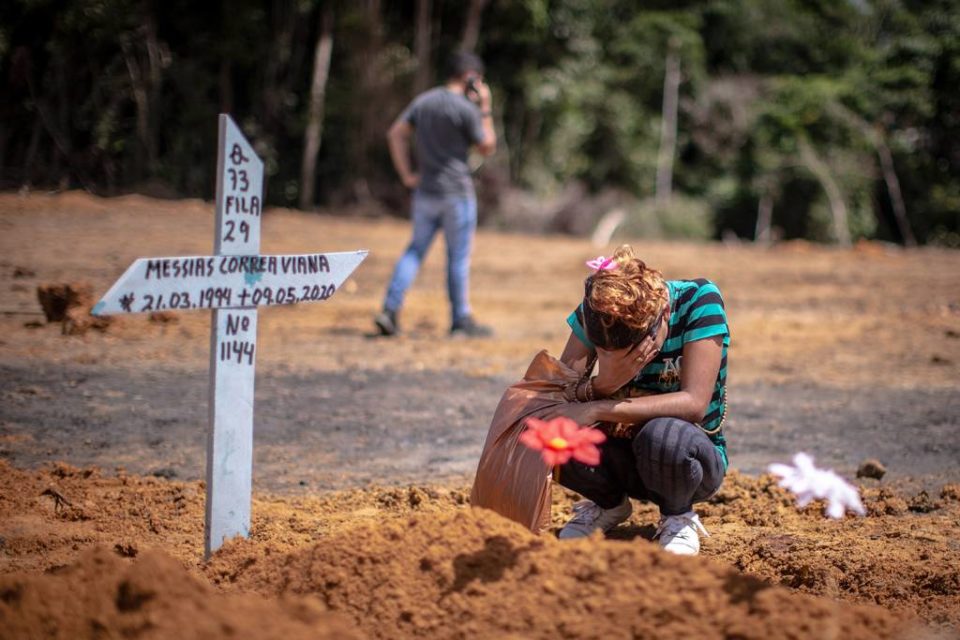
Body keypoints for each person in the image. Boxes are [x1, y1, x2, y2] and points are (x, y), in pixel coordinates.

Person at [542, 244, 730, 555]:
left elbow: (694, 403)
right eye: (606, 353)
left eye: (635, 351)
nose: (631, 361)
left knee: (662, 434)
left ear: (663, 314)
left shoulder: (699, 300)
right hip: (621, 459)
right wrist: (605, 383)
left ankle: (677, 515)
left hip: (685, 462)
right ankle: (609, 504)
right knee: (548, 427)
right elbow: (554, 393)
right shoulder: (599, 312)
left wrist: (599, 408)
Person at [374, 51, 497, 338]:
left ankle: (390, 310)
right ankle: (460, 320)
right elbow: (487, 147)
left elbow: (395, 133)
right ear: (472, 77)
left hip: (425, 192)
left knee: (415, 251)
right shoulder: (467, 109)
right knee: (457, 258)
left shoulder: (424, 102)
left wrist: (407, 175)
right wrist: (486, 106)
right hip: (457, 195)